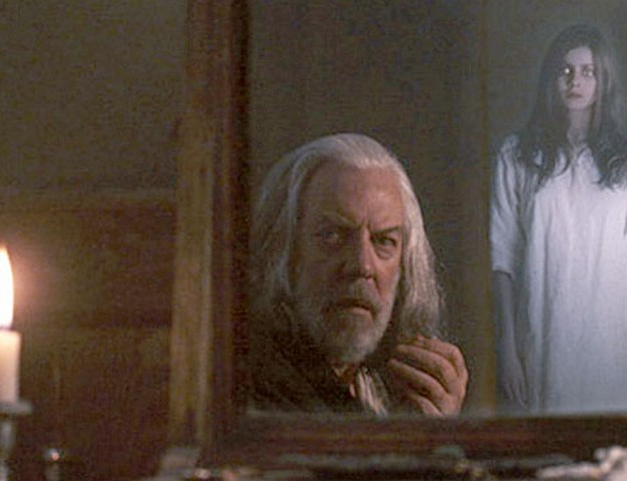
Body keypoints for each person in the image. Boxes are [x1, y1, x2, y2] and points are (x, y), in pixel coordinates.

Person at [247, 133, 468, 417]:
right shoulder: (244, 390)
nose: (362, 266)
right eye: (332, 236)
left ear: (405, 266)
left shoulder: (391, 384)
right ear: (284, 252)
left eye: (384, 241)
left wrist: (431, 431)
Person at [491, 24, 627, 414]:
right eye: (566, 70)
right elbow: (502, 258)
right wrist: (507, 349)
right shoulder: (518, 155)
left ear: (603, 79)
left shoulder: (621, 161)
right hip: (542, 337)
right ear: (551, 77)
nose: (575, 81)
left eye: (588, 72)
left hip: (611, 345)